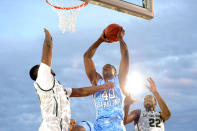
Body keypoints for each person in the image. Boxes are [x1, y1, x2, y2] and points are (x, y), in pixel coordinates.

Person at [29, 29, 114, 131]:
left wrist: (101, 87)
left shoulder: (59, 89)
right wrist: (48, 37)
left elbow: (80, 92)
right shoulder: (43, 78)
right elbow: (47, 52)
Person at [73, 26, 130, 131]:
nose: (105, 68)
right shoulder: (97, 81)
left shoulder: (120, 80)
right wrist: (100, 40)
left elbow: (125, 55)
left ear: (116, 72)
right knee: (78, 129)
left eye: (109, 67)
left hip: (116, 125)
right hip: (99, 125)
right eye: (103, 68)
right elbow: (87, 57)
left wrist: (120, 39)